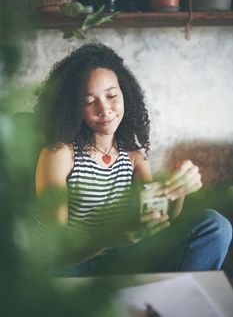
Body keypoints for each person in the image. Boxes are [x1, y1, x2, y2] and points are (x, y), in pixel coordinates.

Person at [35, 42, 232, 276]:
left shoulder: (134, 157)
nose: (105, 109)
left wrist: (176, 189)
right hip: (71, 263)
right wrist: (109, 239)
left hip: (117, 256)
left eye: (111, 96)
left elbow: (163, 216)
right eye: (89, 101)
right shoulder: (60, 154)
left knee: (215, 225)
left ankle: (180, 299)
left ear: (125, 94)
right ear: (72, 107)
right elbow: (54, 248)